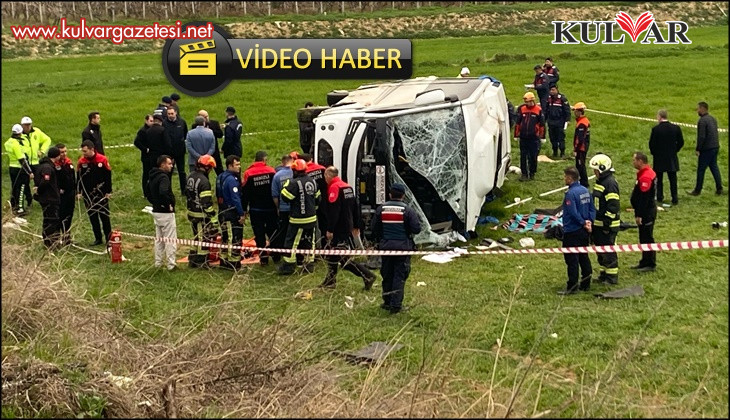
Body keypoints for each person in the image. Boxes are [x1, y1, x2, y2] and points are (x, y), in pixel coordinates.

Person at [319, 166, 376, 290]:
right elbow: (355, 207)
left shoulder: (334, 188)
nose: (325, 179)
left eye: (325, 176)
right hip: (347, 225)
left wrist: (330, 229)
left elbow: (334, 212)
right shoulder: (347, 186)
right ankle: (330, 281)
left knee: (343, 259)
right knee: (333, 255)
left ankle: (367, 275)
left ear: (329, 175)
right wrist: (356, 224)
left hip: (339, 228)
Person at [371, 183, 422, 313]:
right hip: (403, 248)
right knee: (399, 275)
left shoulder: (381, 209)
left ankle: (387, 301)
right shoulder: (407, 210)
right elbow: (416, 229)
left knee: (387, 274)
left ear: (390, 195)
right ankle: (396, 305)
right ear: (403, 196)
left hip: (386, 247)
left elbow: (374, 229)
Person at [277, 159, 320, 275]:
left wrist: (286, 186)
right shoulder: (313, 181)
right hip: (312, 218)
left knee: (291, 242)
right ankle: (308, 265)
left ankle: (288, 266)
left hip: (298, 219)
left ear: (295, 171)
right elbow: (318, 198)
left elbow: (285, 198)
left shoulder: (293, 183)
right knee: (310, 242)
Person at [558, 167, 595, 295]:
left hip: (572, 230)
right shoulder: (585, 190)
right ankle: (586, 283)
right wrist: (589, 221)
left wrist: (582, 222)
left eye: (565, 177)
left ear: (569, 178)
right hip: (584, 231)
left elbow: (573, 212)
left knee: (571, 259)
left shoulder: (570, 194)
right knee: (584, 257)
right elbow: (592, 208)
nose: (564, 179)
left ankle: (572, 286)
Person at [241, 151, 278, 266]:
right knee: (273, 232)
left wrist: (244, 210)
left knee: (259, 234)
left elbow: (245, 193)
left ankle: (263, 259)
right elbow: (275, 190)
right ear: (264, 160)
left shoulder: (248, 173)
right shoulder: (271, 171)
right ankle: (276, 256)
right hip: (271, 209)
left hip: (256, 210)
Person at [589, 154, 620, 285]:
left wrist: (607, 223)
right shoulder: (601, 182)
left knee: (608, 251)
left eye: (595, 170)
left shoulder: (610, 184)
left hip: (607, 225)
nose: (594, 173)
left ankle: (612, 277)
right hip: (599, 224)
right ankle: (603, 274)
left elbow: (613, 206)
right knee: (600, 250)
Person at [77, 140, 112, 247]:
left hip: (101, 193)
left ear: (92, 149)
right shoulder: (82, 162)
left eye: (85, 151)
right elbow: (78, 178)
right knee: (93, 217)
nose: (84, 154)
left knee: (104, 217)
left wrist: (108, 191)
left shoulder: (102, 159)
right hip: (88, 194)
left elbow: (108, 177)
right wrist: (79, 192)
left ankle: (108, 238)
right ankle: (98, 238)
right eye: (83, 151)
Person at [185, 155, 218, 267]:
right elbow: (206, 203)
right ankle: (200, 262)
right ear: (208, 167)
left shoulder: (190, 176)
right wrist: (213, 217)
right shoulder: (204, 182)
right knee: (203, 239)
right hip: (201, 215)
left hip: (191, 212)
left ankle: (192, 258)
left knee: (196, 237)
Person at [148, 155, 178, 271]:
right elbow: (163, 192)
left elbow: (147, 191)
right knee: (170, 239)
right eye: (169, 164)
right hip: (165, 213)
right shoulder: (164, 178)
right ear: (162, 165)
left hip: (156, 211)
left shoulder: (152, 176)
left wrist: (155, 203)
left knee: (159, 239)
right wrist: (168, 205)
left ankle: (158, 263)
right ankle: (171, 264)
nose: (171, 166)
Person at [649, 109, 684, 205]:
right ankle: (675, 197)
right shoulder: (676, 128)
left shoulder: (656, 129)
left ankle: (660, 197)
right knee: (673, 179)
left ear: (659, 117)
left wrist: (655, 153)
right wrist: (675, 150)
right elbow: (681, 142)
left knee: (659, 179)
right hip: (671, 157)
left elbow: (652, 144)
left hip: (659, 157)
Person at [688, 101, 723, 196]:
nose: (697, 110)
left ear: (702, 109)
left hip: (707, 148)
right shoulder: (712, 119)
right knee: (714, 167)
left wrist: (698, 148)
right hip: (715, 146)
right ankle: (719, 188)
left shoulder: (702, 121)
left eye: (698, 108)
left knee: (701, 169)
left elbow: (702, 136)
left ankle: (697, 190)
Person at [216, 155, 245, 270]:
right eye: (236, 165)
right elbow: (235, 198)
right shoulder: (232, 180)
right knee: (234, 237)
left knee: (225, 236)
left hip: (222, 211)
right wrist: (241, 213)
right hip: (231, 212)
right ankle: (233, 263)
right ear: (229, 166)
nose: (239, 167)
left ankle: (223, 261)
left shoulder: (220, 177)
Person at [630, 152, 657, 272]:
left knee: (647, 237)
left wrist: (639, 214)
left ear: (640, 161)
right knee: (643, 237)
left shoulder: (645, 176)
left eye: (634, 160)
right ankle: (644, 261)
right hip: (647, 210)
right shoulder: (646, 173)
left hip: (646, 212)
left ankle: (650, 263)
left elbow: (644, 198)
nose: (633, 162)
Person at [33, 146, 63, 249]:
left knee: (48, 220)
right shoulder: (48, 167)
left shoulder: (42, 166)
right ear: (57, 156)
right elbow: (45, 181)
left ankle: (48, 241)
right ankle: (50, 243)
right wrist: (39, 191)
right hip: (50, 198)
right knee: (52, 220)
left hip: (46, 198)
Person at [21, 116, 52, 208]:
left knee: (39, 181)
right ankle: (29, 200)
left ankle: (41, 198)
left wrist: (42, 151)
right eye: (26, 125)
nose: (28, 127)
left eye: (29, 124)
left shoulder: (36, 132)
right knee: (25, 183)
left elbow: (47, 140)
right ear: (22, 125)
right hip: (25, 163)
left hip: (35, 162)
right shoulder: (19, 135)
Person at [514, 91, 545, 181]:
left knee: (533, 157)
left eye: (528, 101)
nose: (526, 103)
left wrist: (542, 137)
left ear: (532, 101)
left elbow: (542, 124)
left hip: (534, 138)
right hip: (523, 137)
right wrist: (516, 134)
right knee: (523, 157)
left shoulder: (538, 110)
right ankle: (524, 174)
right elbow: (518, 123)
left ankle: (532, 173)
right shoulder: (522, 109)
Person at [5, 124, 33, 216]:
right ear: (20, 132)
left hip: (12, 167)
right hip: (19, 169)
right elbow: (22, 160)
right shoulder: (16, 144)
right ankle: (20, 208)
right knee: (21, 188)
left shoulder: (8, 142)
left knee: (14, 187)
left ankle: (14, 205)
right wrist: (29, 172)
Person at [270, 154, 294, 263]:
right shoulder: (295, 173)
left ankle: (283, 254)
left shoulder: (277, 176)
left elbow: (275, 196)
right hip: (295, 208)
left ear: (282, 163)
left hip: (284, 208)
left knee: (283, 231)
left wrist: (278, 207)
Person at [302, 153, 328, 246]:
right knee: (324, 224)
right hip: (324, 201)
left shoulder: (304, 172)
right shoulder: (322, 169)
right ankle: (326, 246)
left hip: (310, 202)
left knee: (312, 227)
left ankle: (314, 246)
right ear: (311, 159)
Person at [54, 143, 76, 245]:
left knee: (69, 214)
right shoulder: (54, 165)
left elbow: (73, 177)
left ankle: (67, 236)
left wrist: (76, 190)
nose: (64, 154)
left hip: (70, 193)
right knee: (60, 215)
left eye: (65, 151)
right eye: (62, 152)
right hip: (60, 195)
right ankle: (57, 236)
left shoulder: (68, 162)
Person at [163, 107, 188, 194]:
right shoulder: (164, 123)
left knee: (182, 172)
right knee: (168, 173)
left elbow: (185, 134)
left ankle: (184, 190)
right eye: (168, 114)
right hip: (169, 153)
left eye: (172, 113)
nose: (170, 115)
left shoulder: (182, 122)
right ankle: (168, 191)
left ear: (176, 113)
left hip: (180, 152)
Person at [195, 110, 224, 175]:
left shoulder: (214, 123)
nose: (207, 118)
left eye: (207, 116)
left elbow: (220, 135)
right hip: (203, 152)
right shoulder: (195, 126)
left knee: (219, 169)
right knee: (203, 171)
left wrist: (210, 131)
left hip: (214, 151)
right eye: (204, 117)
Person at [545, 83, 571, 158]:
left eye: (553, 90)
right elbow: (546, 110)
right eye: (550, 90)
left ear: (557, 89)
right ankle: (555, 152)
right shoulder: (549, 98)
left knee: (561, 138)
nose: (551, 91)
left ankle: (562, 152)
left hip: (560, 122)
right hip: (551, 121)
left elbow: (567, 110)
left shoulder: (562, 98)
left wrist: (568, 119)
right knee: (552, 138)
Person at [133, 114, 155, 199]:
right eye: (150, 121)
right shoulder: (142, 131)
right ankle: (146, 192)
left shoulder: (152, 129)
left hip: (152, 156)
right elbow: (136, 142)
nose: (152, 123)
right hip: (146, 157)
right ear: (146, 121)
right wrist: (145, 149)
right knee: (146, 174)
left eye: (153, 121)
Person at [571, 101, 591, 188]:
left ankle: (584, 183)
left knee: (580, 166)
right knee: (579, 165)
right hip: (583, 147)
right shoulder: (584, 121)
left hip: (581, 148)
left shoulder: (582, 123)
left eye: (575, 111)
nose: (574, 113)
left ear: (579, 112)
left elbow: (580, 139)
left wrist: (576, 150)